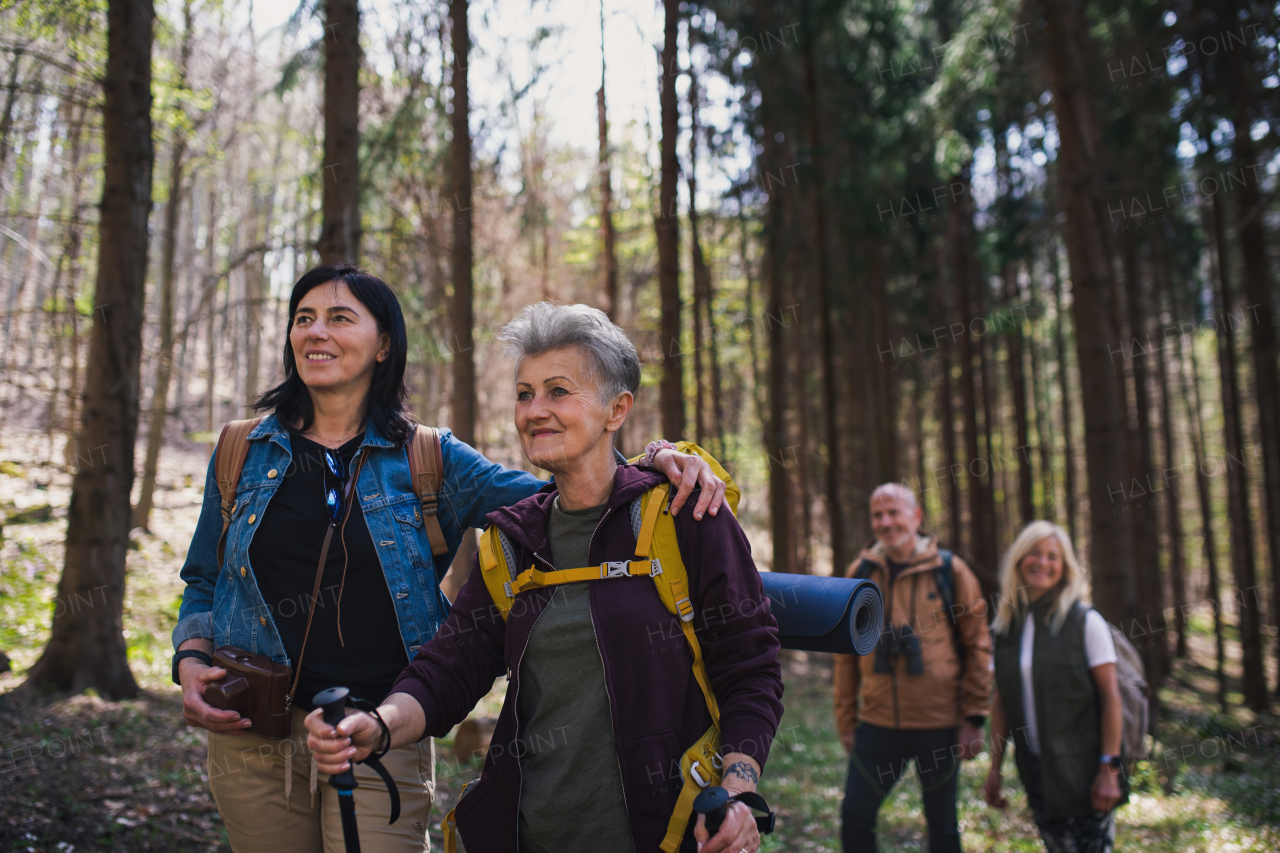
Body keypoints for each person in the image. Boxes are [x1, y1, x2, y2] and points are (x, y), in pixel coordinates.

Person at [171, 266, 729, 853]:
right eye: (303, 319)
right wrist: (189, 658)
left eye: (339, 318)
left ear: (384, 344)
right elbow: (203, 578)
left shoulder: (428, 459)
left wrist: (656, 463)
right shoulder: (242, 450)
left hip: (382, 729)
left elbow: (565, 497)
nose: (316, 332)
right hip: (253, 731)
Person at [305, 302, 784, 853]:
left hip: (667, 832)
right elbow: (451, 666)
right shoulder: (513, 540)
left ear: (617, 409)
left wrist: (740, 790)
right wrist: (379, 724)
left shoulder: (686, 513)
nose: (536, 410)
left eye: (559, 391)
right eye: (525, 394)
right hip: (526, 835)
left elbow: (749, 666)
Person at [832, 483, 991, 853]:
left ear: (916, 516)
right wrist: (846, 719)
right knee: (855, 815)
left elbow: (978, 645)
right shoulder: (861, 572)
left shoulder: (951, 570)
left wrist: (974, 716)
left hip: (939, 724)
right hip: (878, 722)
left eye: (894, 512)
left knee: (943, 828)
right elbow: (844, 654)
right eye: (877, 515)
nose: (886, 522)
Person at [982, 521, 1126, 853]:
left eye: (1053, 556)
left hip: (1086, 768)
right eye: (1035, 553)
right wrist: (994, 768)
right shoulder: (1005, 629)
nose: (1043, 562)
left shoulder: (1085, 622)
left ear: (1065, 567)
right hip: (1035, 768)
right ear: (1019, 559)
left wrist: (1109, 768)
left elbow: (1111, 698)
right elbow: (1001, 700)